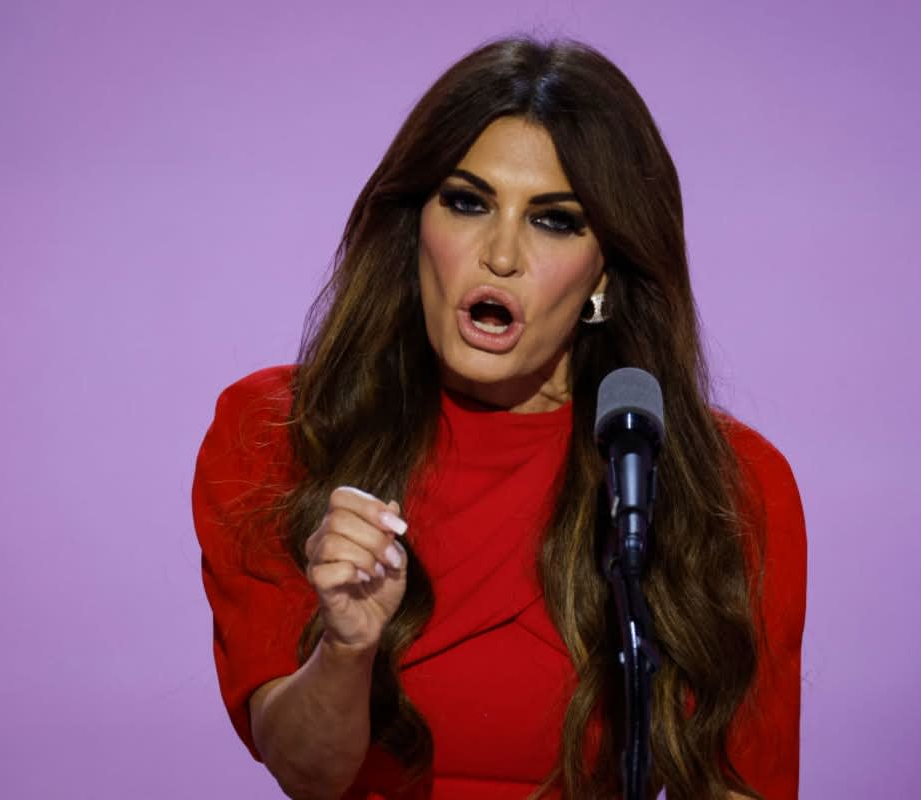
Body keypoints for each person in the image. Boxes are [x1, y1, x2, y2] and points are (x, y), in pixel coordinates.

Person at [192, 37, 806, 800]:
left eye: (555, 221)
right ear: (415, 225)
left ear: (604, 271)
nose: (502, 255)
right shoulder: (280, 433)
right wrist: (346, 649)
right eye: (468, 202)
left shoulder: (725, 483)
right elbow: (304, 771)